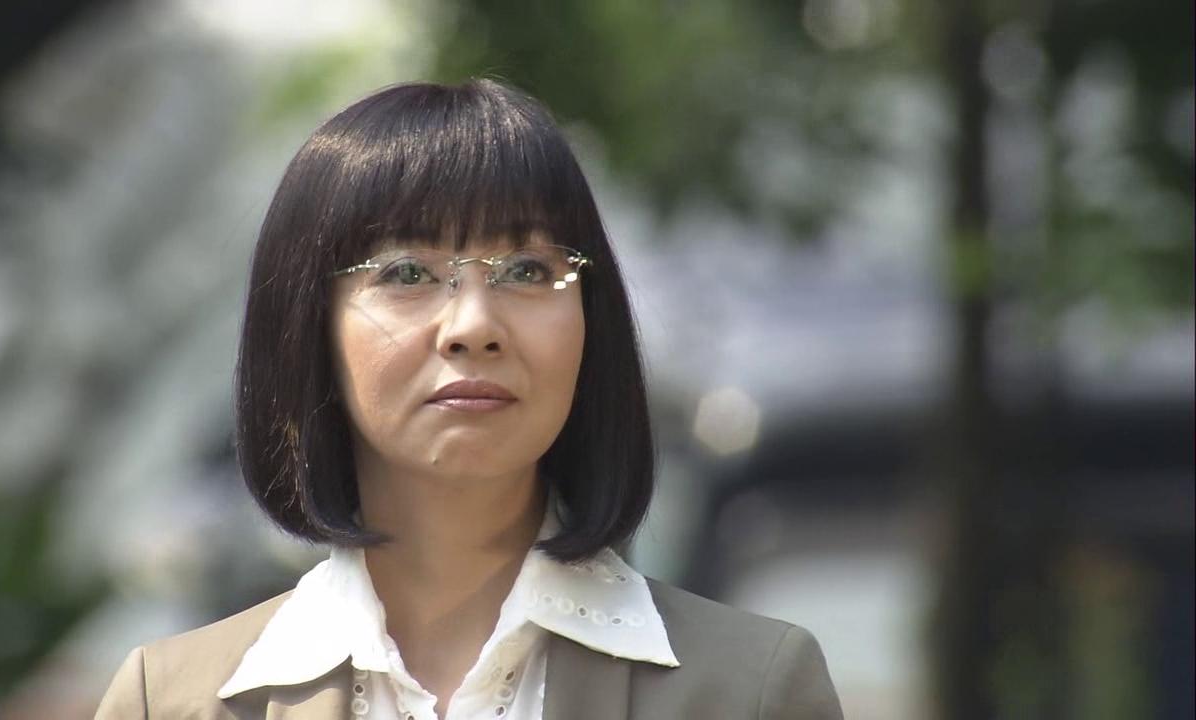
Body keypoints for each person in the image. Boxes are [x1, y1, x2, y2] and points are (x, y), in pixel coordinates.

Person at [94, 79, 843, 720]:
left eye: (527, 270)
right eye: (407, 274)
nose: (474, 326)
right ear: (307, 328)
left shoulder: (752, 690)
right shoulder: (173, 701)